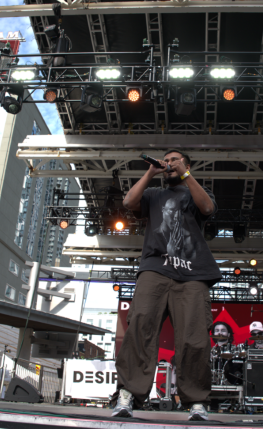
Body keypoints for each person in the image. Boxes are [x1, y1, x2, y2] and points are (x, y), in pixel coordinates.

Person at [112, 149, 220, 421]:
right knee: (140, 327)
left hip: (193, 273)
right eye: (167, 160)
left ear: (186, 164)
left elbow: (208, 208)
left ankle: (196, 401)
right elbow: (129, 202)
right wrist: (151, 172)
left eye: (175, 160)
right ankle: (128, 394)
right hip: (155, 268)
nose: (169, 163)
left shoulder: (196, 191)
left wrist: (186, 174)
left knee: (194, 337)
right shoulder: (154, 194)